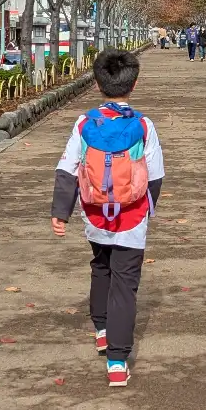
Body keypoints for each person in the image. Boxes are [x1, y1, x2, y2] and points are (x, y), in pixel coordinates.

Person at [50, 49, 165, 389]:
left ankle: (101, 329)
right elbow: (155, 176)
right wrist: (146, 209)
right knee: (125, 285)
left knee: (101, 265)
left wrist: (61, 212)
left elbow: (66, 169)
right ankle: (117, 360)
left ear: (97, 83)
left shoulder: (85, 124)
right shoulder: (143, 125)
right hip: (132, 217)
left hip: (94, 212)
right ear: (135, 83)